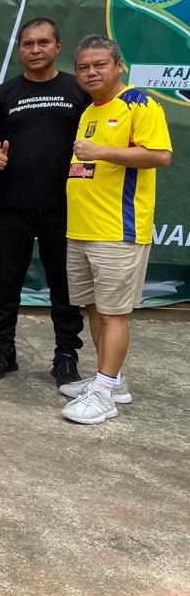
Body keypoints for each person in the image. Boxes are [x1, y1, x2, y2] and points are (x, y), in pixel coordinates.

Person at [59, 35, 171, 424]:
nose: (90, 72)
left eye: (99, 65)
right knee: (94, 307)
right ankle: (112, 380)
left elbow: (160, 155)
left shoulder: (140, 102)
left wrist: (102, 152)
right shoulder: (90, 110)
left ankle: (104, 394)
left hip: (117, 230)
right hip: (82, 229)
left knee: (112, 313)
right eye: (83, 67)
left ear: (119, 66)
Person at [0, 18, 91, 385]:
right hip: (13, 205)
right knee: (6, 283)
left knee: (65, 286)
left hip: (66, 206)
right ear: (19, 50)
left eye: (43, 42)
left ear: (58, 46)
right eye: (28, 44)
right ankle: (3, 350)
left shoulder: (78, 89)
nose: (36, 49)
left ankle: (66, 356)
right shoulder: (4, 93)